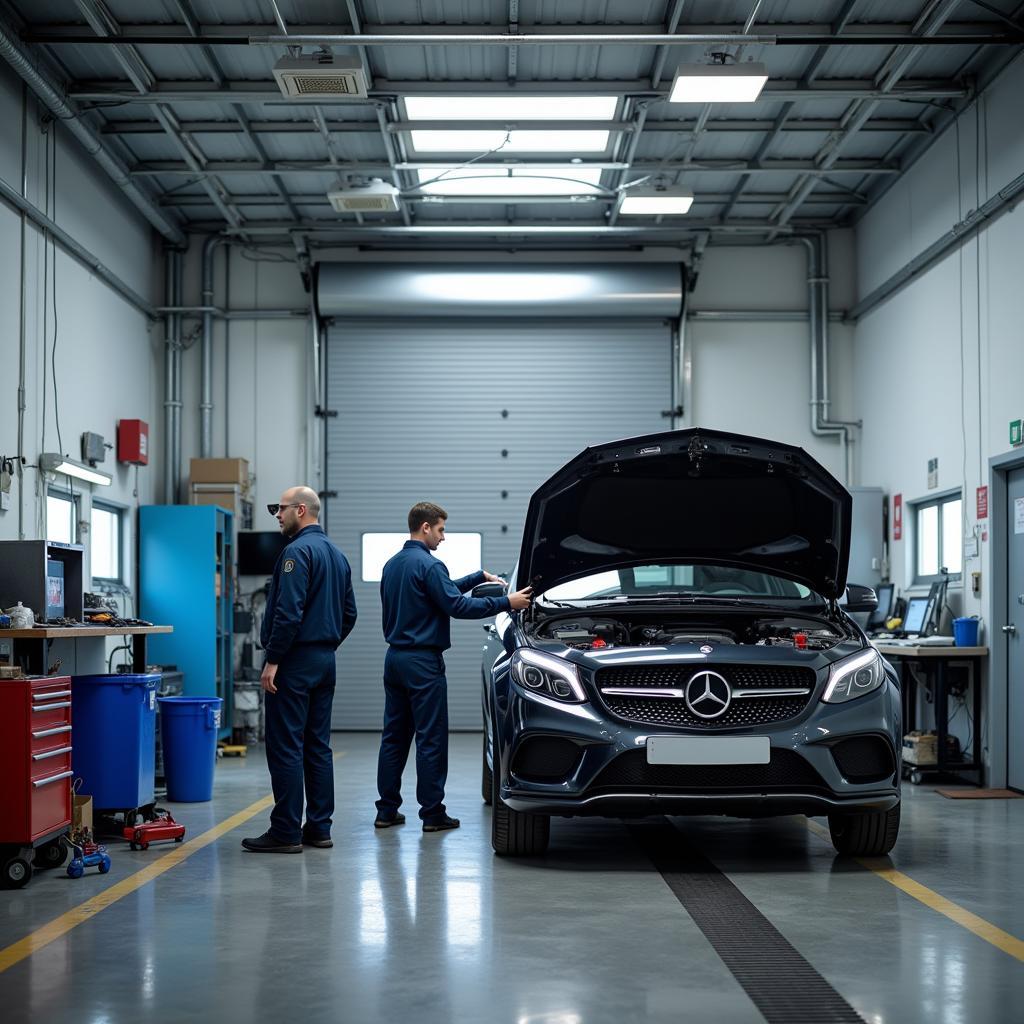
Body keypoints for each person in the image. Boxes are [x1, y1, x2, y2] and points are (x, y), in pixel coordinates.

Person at [375, 501, 532, 832]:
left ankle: (386, 810)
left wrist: (477, 577)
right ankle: (432, 814)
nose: (443, 538)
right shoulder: (431, 566)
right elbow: (455, 605)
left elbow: (436, 594)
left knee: (394, 738)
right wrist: (507, 602)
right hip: (423, 663)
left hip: (395, 660)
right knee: (430, 739)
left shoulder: (392, 565)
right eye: (442, 530)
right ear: (426, 527)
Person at [242, 486, 357, 854]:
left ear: (302, 510)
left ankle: (286, 830)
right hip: (324, 662)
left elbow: (287, 613)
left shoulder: (296, 553)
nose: (276, 514)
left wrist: (274, 659)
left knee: (286, 745)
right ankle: (319, 828)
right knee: (318, 746)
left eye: (281, 508)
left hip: (293, 662)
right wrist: (326, 644)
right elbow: (350, 613)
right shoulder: (337, 556)